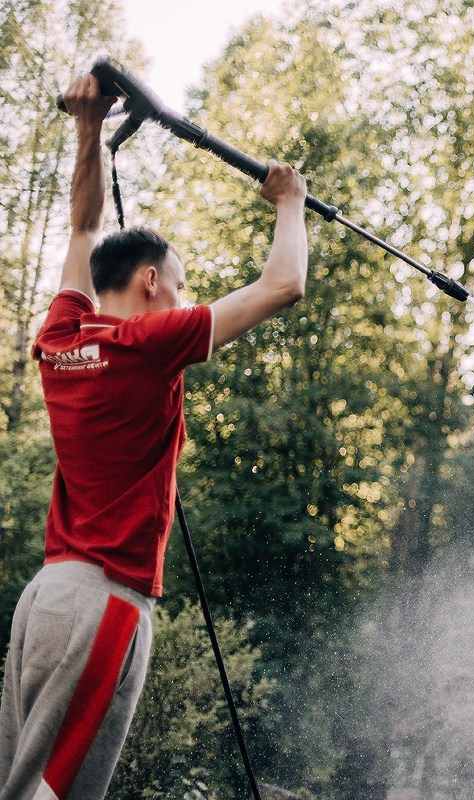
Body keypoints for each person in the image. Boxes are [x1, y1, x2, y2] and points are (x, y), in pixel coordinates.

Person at [0, 72, 309, 799]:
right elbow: (283, 284)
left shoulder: (62, 335)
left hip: (45, 601)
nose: (183, 296)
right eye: (177, 282)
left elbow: (82, 227)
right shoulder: (147, 343)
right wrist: (291, 204)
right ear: (147, 281)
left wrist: (88, 127)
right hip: (102, 604)